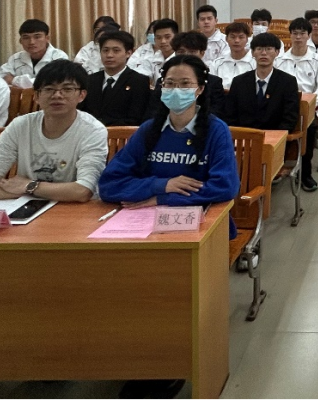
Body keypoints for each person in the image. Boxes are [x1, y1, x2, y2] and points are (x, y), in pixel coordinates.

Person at [98, 55, 241, 400]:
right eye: (170, 84)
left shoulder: (216, 131)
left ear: (200, 89)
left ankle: (170, 364)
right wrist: (161, 185)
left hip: (200, 227)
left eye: (185, 84)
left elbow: (224, 187)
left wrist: (161, 199)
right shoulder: (150, 130)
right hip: (142, 226)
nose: (176, 91)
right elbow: (110, 183)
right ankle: (140, 356)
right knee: (126, 288)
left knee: (173, 290)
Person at [0, 60, 107, 202]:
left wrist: (29, 186)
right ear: (36, 96)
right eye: (49, 89)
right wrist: (34, 192)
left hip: (74, 210)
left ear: (82, 95)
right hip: (27, 207)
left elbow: (83, 191)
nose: (57, 95)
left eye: (67, 89)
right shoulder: (20, 126)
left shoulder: (93, 130)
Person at [275, 18, 318, 192]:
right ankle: (276, 167)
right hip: (282, 108)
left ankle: (305, 173)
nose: (298, 37)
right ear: (290, 35)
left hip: (306, 107)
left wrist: (313, 102)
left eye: (302, 33)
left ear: (308, 36)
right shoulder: (279, 60)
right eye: (295, 33)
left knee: (308, 132)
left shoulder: (317, 61)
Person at [222, 32, 300, 131]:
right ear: (252, 53)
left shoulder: (288, 82)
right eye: (259, 49)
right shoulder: (239, 82)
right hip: (244, 136)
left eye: (269, 49)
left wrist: (275, 137)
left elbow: (290, 118)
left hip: (275, 137)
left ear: (277, 52)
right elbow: (230, 115)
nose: (264, 53)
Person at [78, 31, 151, 126]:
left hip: (122, 133)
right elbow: (81, 112)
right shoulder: (90, 80)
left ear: (128, 53)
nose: (109, 55)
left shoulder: (139, 81)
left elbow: (135, 117)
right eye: (105, 50)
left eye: (116, 51)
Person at [146, 32, 226, 119]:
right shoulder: (164, 81)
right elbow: (153, 112)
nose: (186, 56)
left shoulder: (213, 82)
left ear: (202, 53)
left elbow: (216, 113)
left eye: (192, 52)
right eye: (181, 52)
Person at [0, 19, 69, 88]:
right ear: (20, 41)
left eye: (37, 37)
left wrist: (13, 80)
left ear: (47, 38)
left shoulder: (59, 57)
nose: (31, 42)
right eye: (26, 38)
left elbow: (53, 82)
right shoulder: (15, 58)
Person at [208, 21, 256, 88]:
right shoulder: (217, 63)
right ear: (226, 39)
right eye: (232, 37)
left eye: (241, 37)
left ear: (247, 40)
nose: (236, 41)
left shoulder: (255, 63)